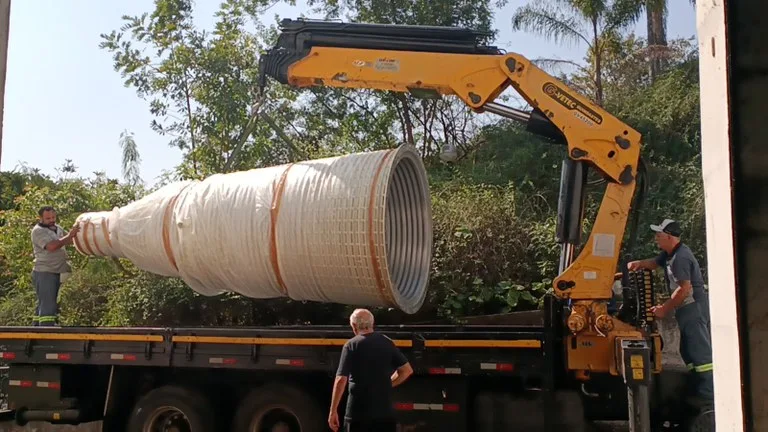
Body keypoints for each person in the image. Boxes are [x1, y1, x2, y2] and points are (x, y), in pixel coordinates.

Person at [627, 218, 713, 406]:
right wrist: (638, 264)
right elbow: (653, 263)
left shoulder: (680, 258)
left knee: (699, 352)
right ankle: (696, 385)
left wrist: (663, 309)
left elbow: (683, 289)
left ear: (670, 237)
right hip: (686, 308)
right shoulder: (669, 254)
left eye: (659, 235)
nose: (656, 238)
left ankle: (708, 396)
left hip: (693, 307)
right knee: (687, 350)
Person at [328, 308, 413, 432]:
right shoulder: (387, 342)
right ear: (372, 323)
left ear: (354, 325)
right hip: (385, 414)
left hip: (358, 414)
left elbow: (341, 379)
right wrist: (388, 384)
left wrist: (333, 411)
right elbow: (407, 370)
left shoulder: (351, 345)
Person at [30, 206, 79, 326]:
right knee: (48, 304)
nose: (51, 220)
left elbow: (68, 240)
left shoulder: (58, 229)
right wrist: (68, 237)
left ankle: (34, 332)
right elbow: (52, 247)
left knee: (45, 302)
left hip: (58, 271)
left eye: (53, 217)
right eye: (48, 218)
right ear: (41, 218)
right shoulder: (38, 231)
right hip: (45, 271)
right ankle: (46, 332)